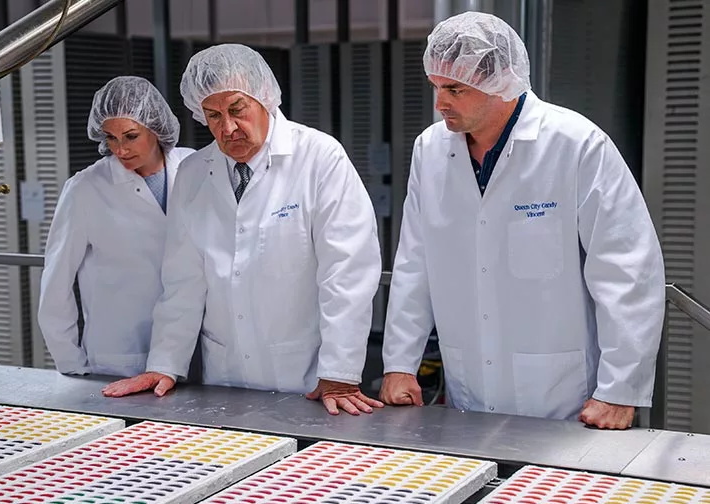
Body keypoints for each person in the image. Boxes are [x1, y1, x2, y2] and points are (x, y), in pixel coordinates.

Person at [381, 12, 665, 429]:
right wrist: (400, 363)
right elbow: (414, 264)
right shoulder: (430, 150)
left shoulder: (576, 145)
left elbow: (627, 269)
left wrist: (620, 390)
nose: (440, 104)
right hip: (469, 393)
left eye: (455, 89)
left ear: (499, 83)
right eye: (436, 87)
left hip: (564, 399)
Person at [102, 44, 384, 416]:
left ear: (264, 98)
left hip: (308, 377)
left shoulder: (319, 157)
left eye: (237, 109)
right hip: (226, 376)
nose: (228, 127)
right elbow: (183, 281)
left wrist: (339, 372)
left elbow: (347, 271)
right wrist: (164, 363)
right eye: (213, 115)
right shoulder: (194, 173)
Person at [38, 76, 194, 377]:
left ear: (156, 127)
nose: (119, 149)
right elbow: (56, 285)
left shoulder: (193, 168)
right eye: (110, 138)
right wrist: (72, 365)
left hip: (190, 351)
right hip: (121, 357)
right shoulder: (85, 189)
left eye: (131, 136)